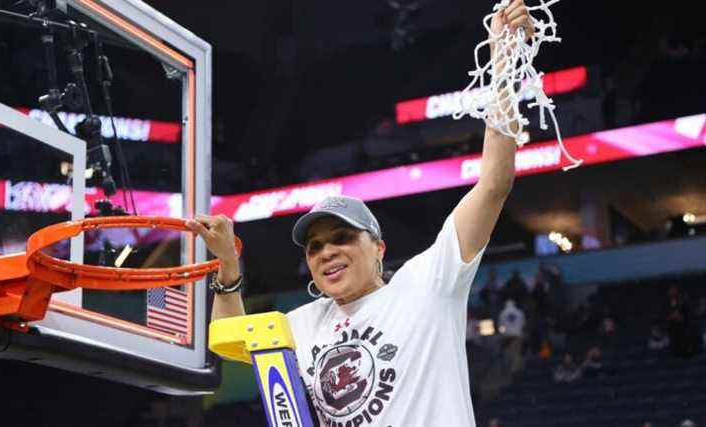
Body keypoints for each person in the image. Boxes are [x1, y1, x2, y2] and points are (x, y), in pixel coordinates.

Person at [187, 1, 533, 425]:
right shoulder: (303, 323)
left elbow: (494, 184)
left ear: (379, 248)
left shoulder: (428, 284)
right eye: (314, 247)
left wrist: (503, 65)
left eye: (342, 237)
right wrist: (227, 266)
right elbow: (226, 338)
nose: (326, 252)